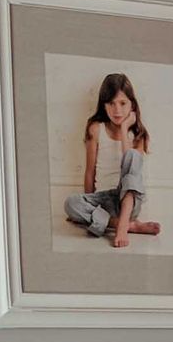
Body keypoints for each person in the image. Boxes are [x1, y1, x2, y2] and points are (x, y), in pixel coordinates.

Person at [65, 73, 162, 248]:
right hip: (103, 202)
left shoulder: (138, 135)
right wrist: (87, 204)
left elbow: (130, 169)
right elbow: (90, 170)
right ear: (104, 105)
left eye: (123, 103)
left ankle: (123, 224)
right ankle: (124, 225)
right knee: (71, 203)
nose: (117, 110)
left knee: (132, 156)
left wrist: (125, 129)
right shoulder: (96, 129)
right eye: (111, 103)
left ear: (132, 104)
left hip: (129, 200)